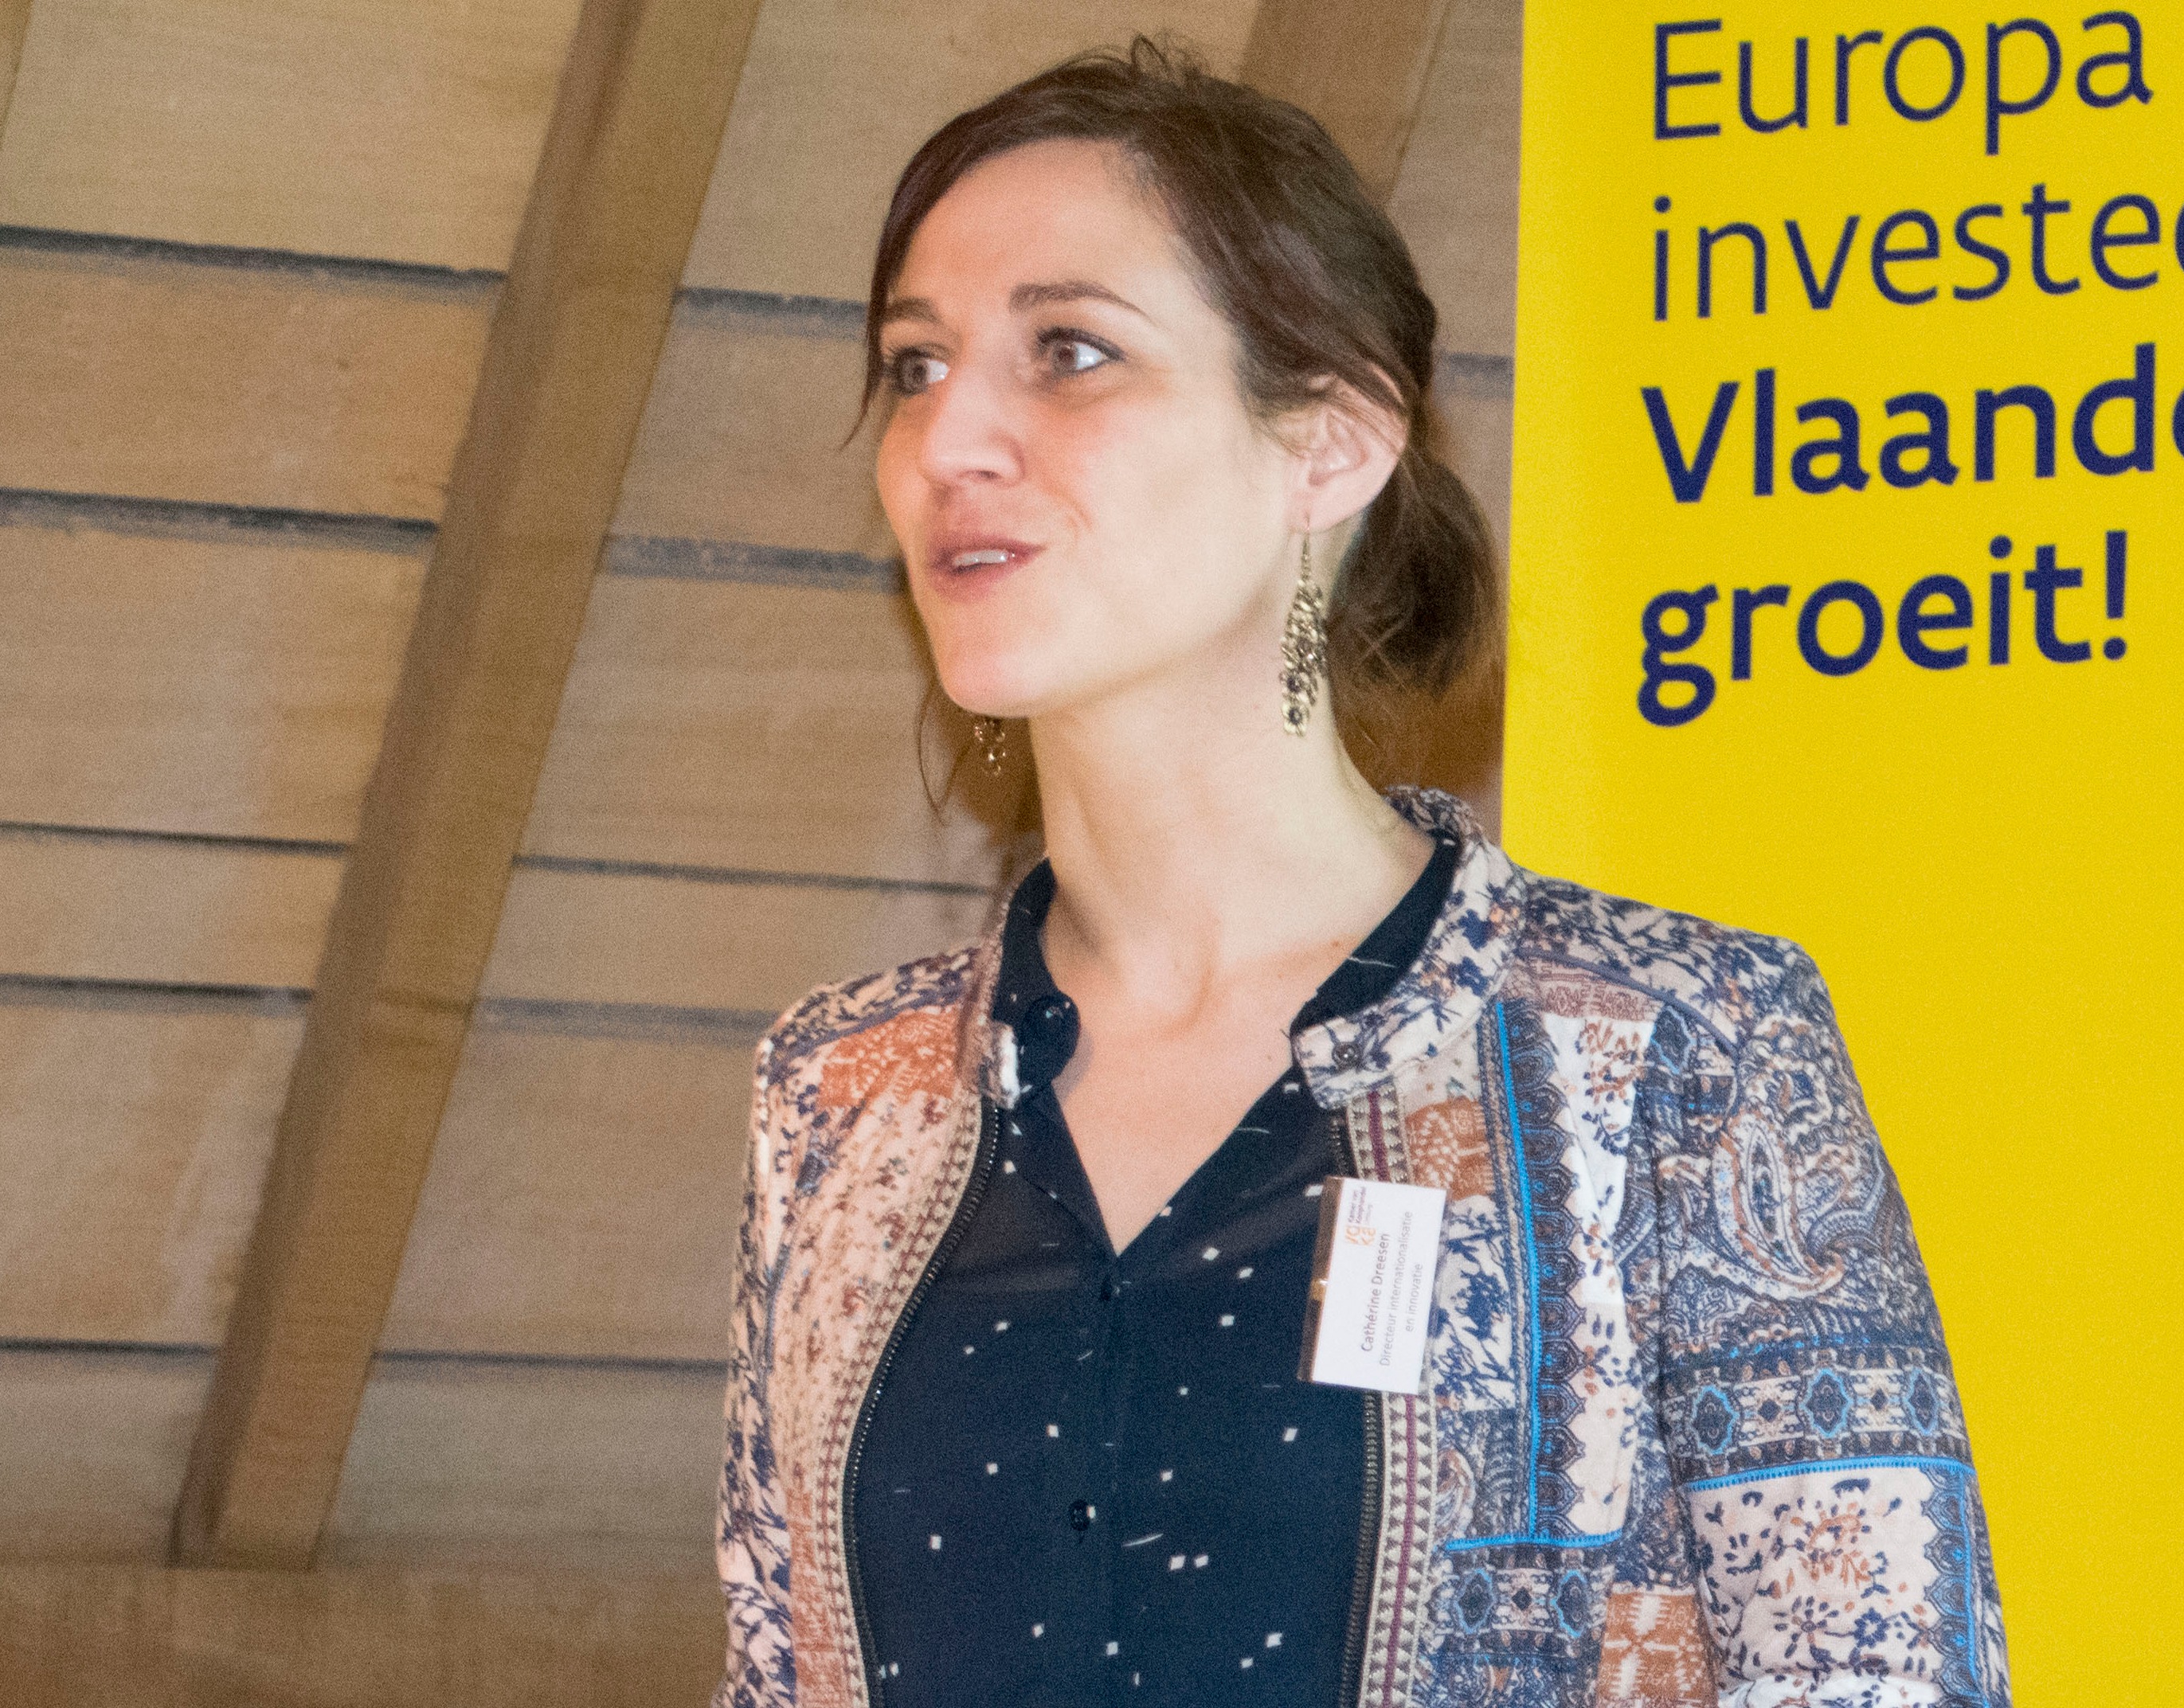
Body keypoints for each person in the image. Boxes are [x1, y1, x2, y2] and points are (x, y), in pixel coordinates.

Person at [709, 38, 2002, 1708]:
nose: (949, 434)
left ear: (1328, 444)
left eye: (1071, 351)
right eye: (914, 364)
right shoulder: (836, 1098)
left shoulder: (1677, 1049)